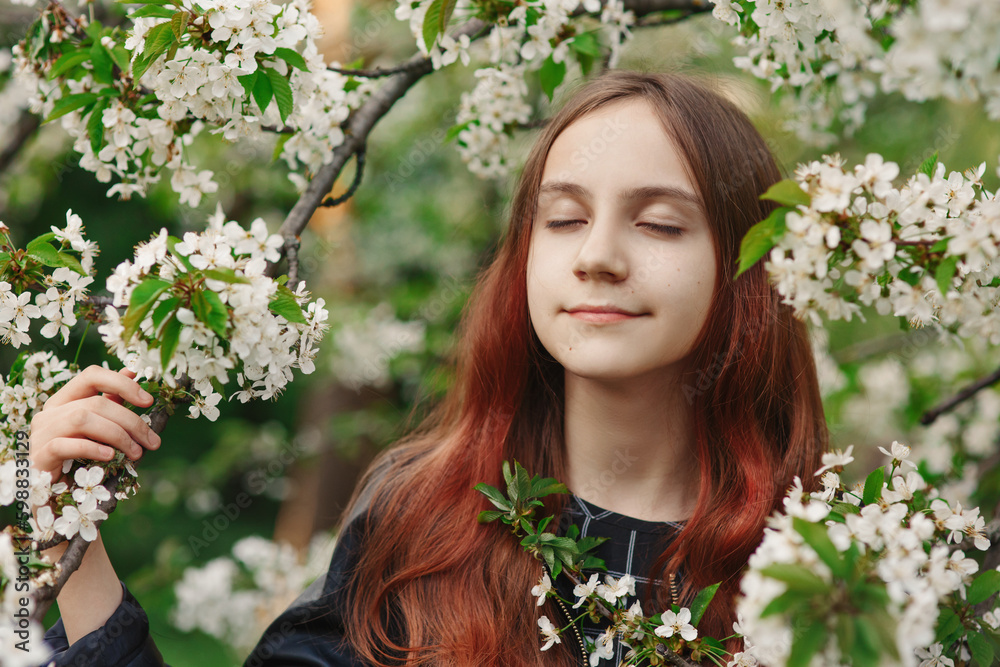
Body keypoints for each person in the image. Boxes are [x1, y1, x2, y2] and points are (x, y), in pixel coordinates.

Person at [28, 70, 827, 666]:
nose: (597, 257)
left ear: (749, 266)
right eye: (565, 218)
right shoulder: (420, 519)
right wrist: (69, 540)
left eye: (658, 223)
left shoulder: (829, 563)